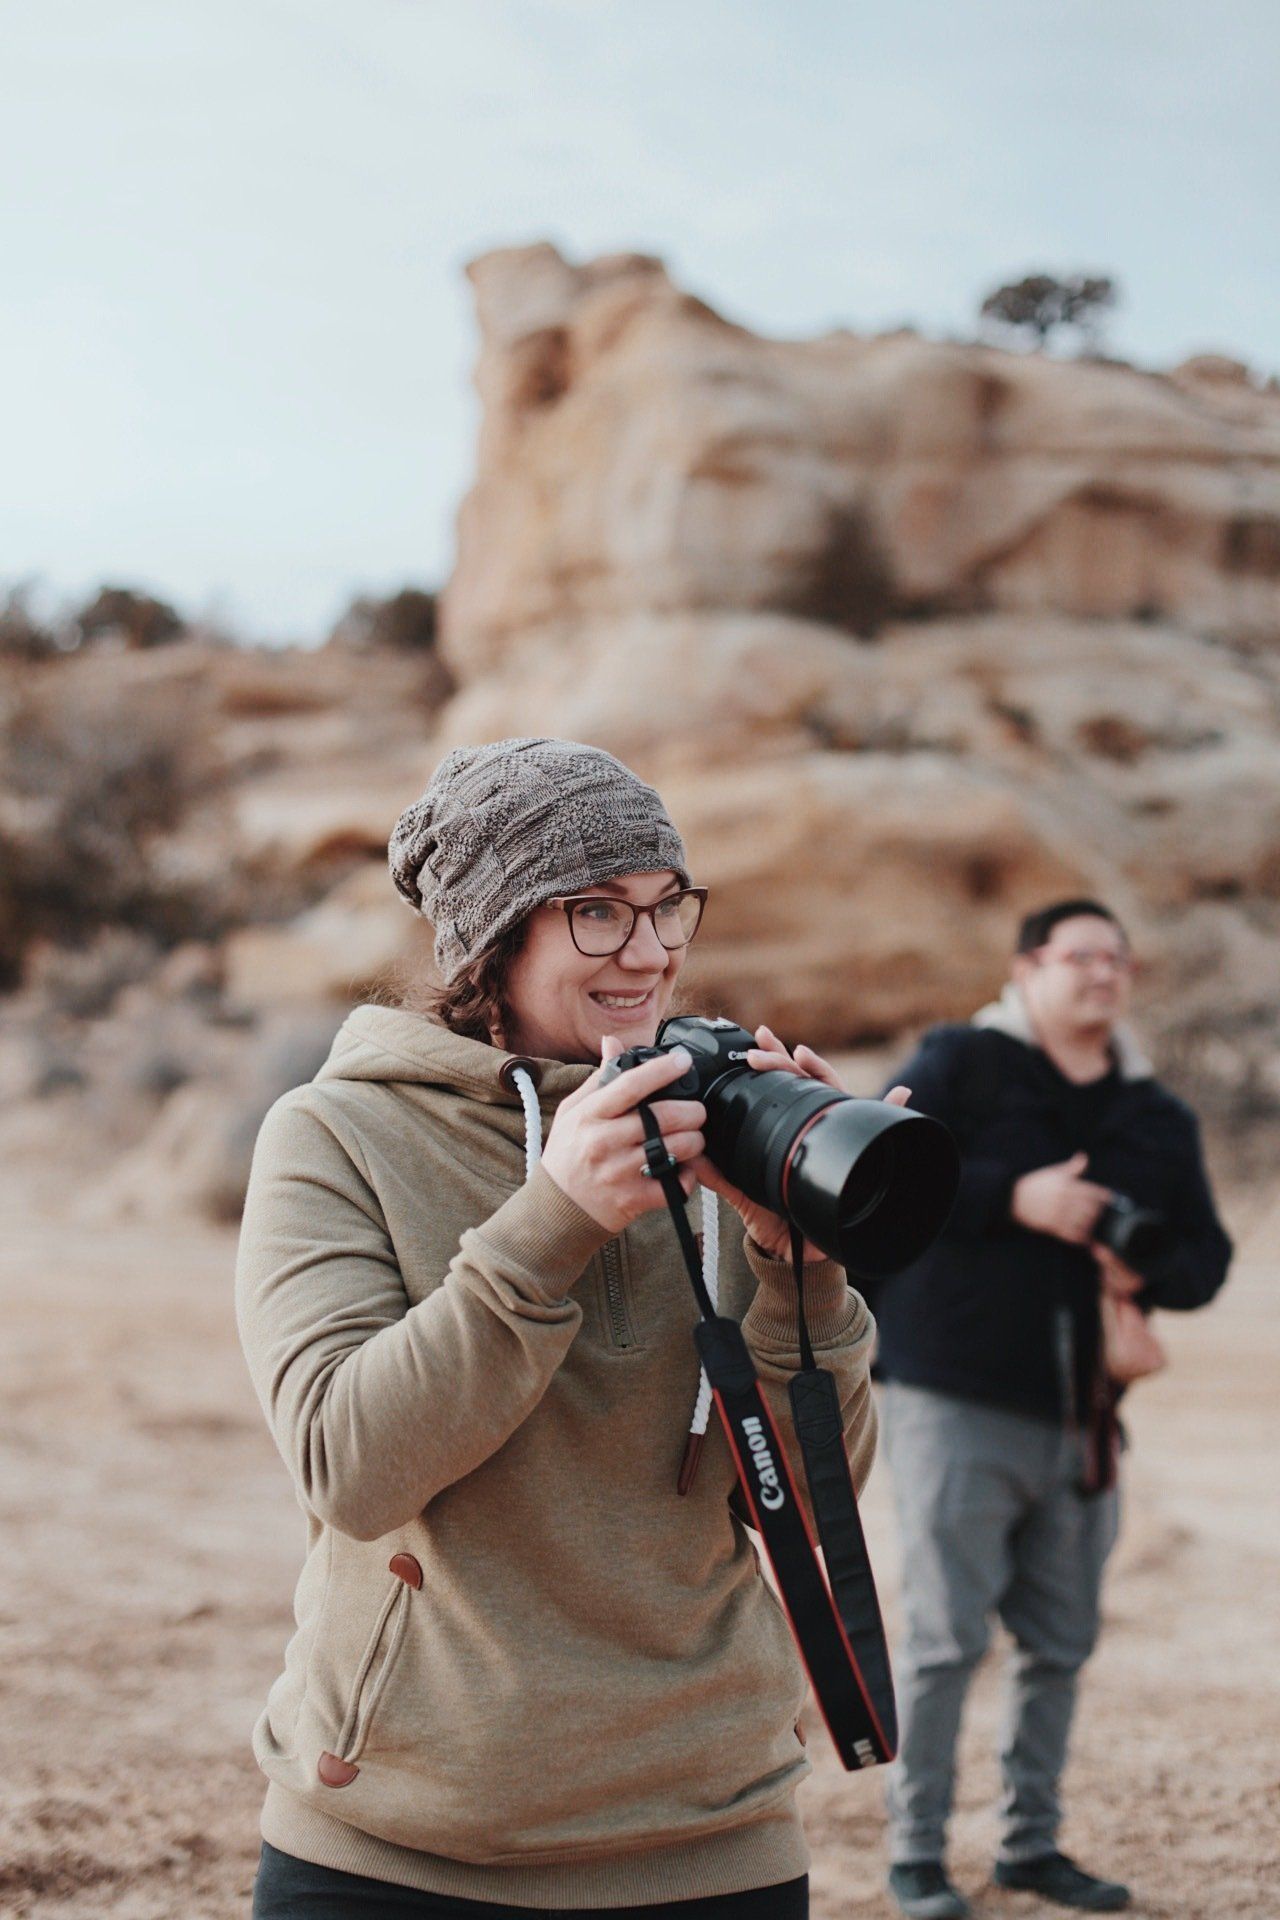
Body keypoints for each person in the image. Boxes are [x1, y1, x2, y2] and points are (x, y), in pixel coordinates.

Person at [235, 736, 903, 1920]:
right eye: (594, 912)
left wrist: (798, 1271)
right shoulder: (337, 1135)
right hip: (393, 1849)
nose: (645, 952)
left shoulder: (715, 1130)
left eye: (664, 908)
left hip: (710, 1840)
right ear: (493, 938)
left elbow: (806, 1503)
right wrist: (554, 1221)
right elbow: (351, 1465)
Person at [873, 899, 1232, 1920]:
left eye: (1116, 960)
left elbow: (1205, 1261)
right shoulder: (961, 1064)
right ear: (1026, 969)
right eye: (1079, 957)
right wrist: (1009, 1198)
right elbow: (870, 1169)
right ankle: (915, 1856)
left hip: (1085, 1421)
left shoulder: (1152, 1114)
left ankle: (1029, 1846)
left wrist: (1145, 1261)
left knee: (1059, 1645)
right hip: (951, 1397)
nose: (1101, 976)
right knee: (944, 1641)